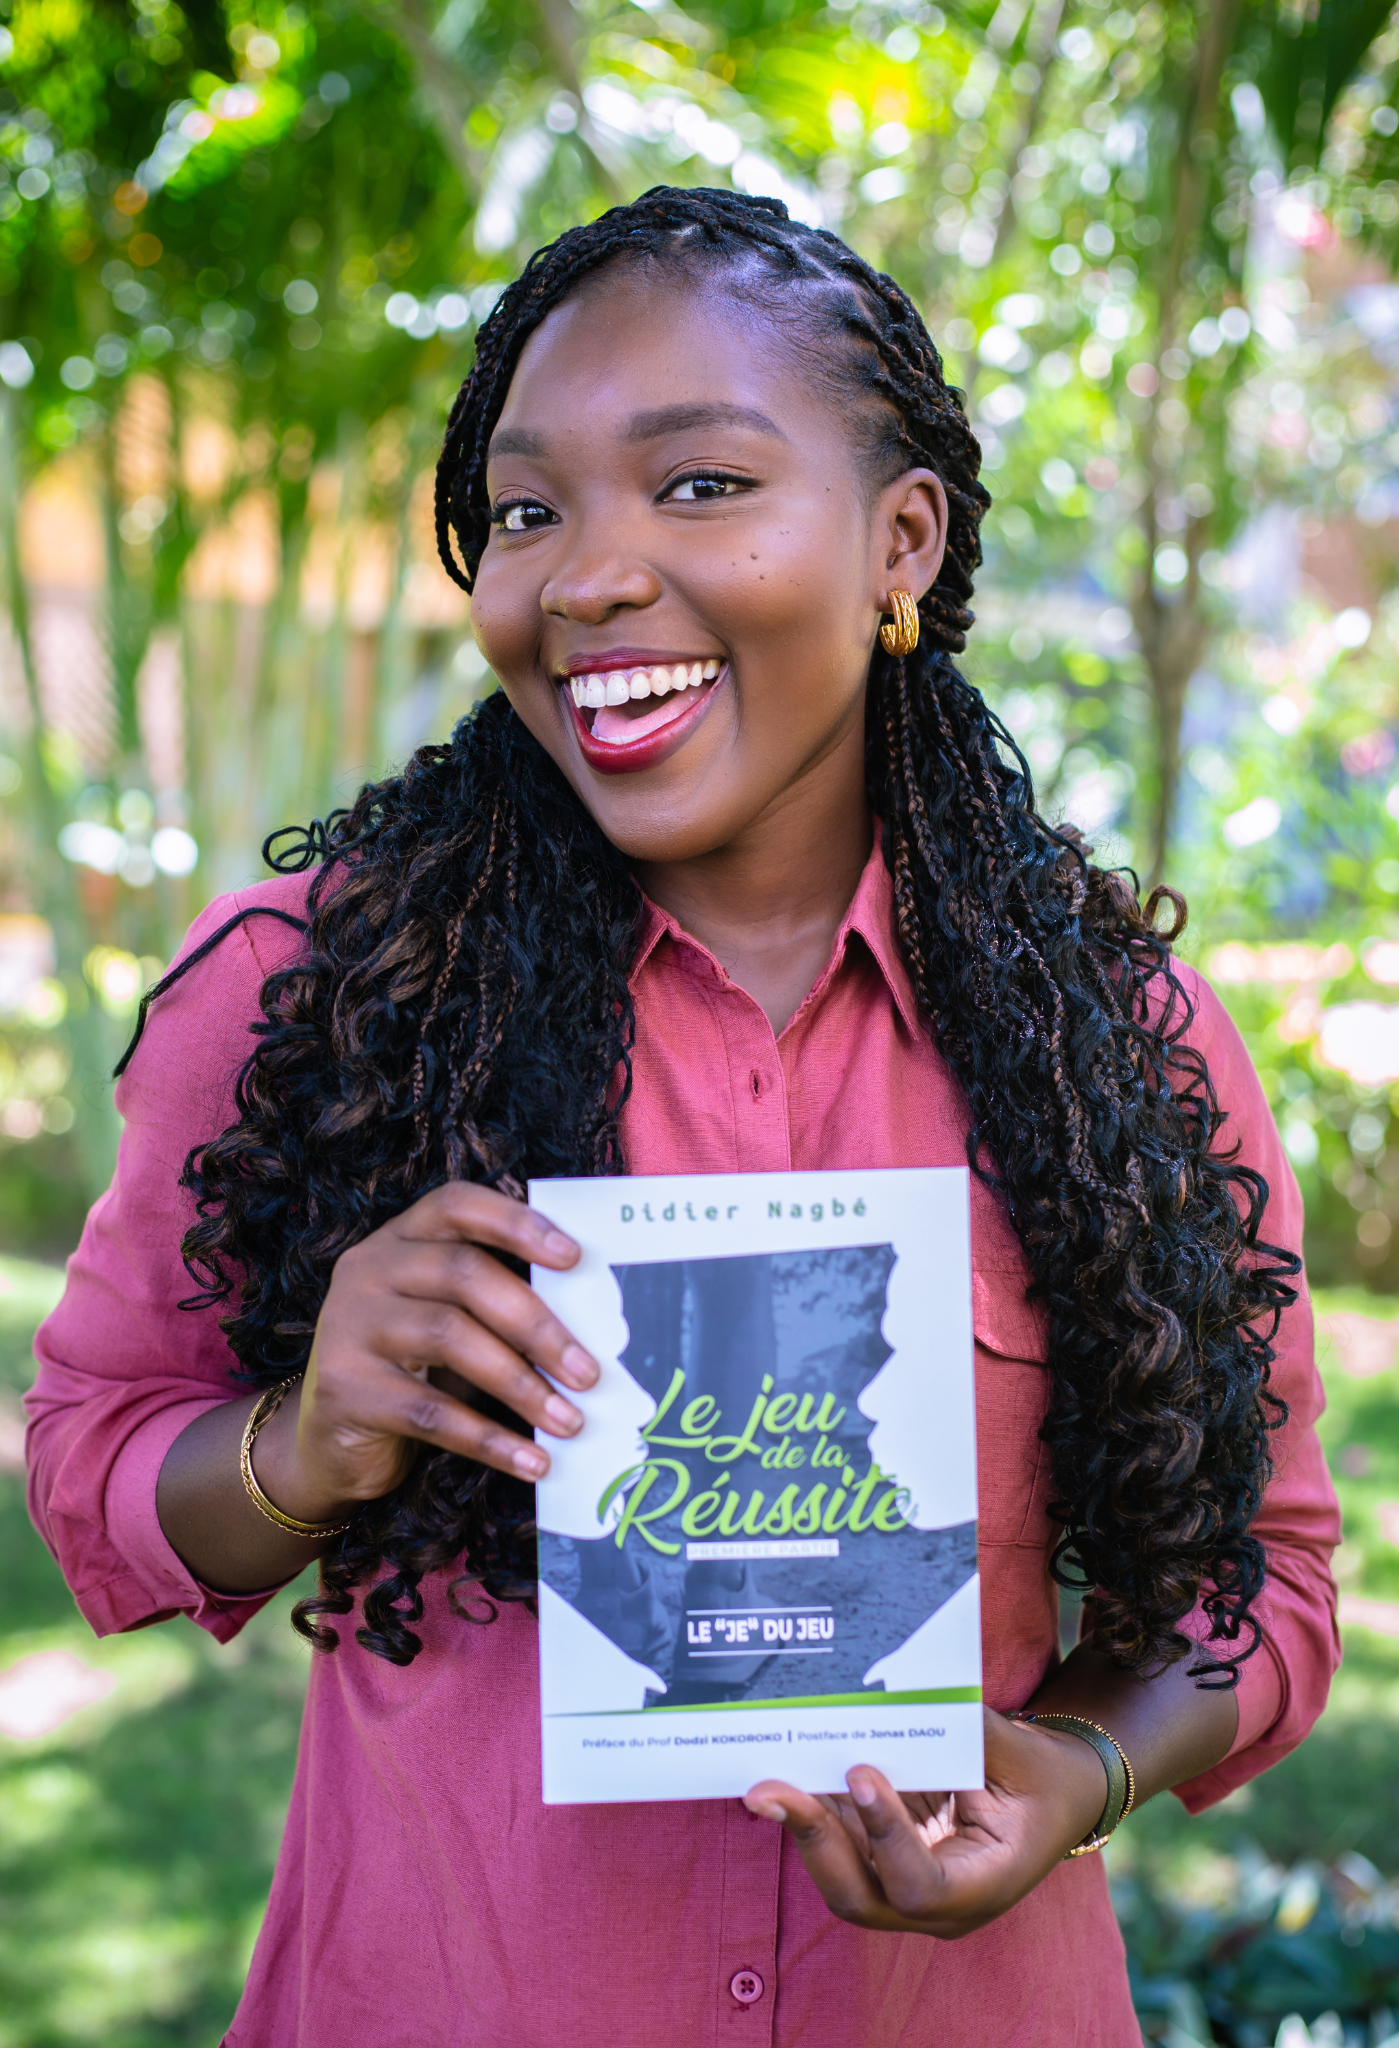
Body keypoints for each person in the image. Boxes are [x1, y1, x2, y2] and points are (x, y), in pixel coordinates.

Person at [26, 186, 1339, 2046]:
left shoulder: (1118, 1043)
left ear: (900, 541)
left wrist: (1073, 1768)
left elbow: (1260, 1576)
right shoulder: (319, 992)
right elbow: (90, 1462)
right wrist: (306, 1441)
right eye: (526, 511)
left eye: (699, 484)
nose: (584, 578)